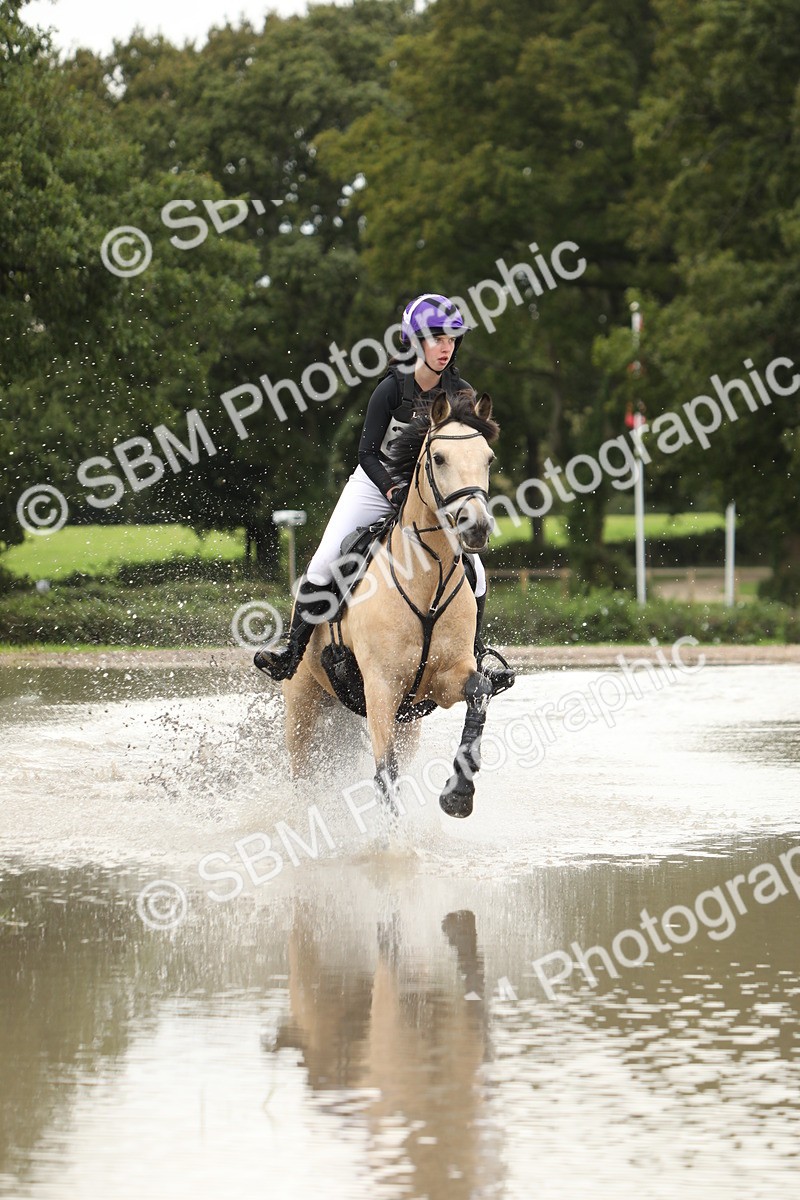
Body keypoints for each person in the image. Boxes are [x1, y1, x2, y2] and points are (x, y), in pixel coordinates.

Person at [255, 293, 491, 681]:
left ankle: (477, 657)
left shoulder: (460, 392)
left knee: (476, 572)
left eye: (451, 339)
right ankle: (291, 653)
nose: (445, 347)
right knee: (323, 561)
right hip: (375, 482)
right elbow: (365, 452)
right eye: (436, 338)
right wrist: (390, 490)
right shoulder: (390, 390)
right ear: (415, 342)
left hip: (430, 491)